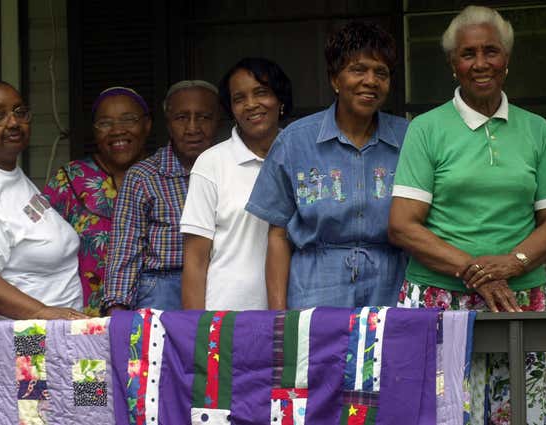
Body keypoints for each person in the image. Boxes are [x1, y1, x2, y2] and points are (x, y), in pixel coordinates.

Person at [388, 6, 546, 423]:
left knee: (527, 415)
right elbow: (402, 223)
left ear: (506, 59)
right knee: (444, 414)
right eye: (468, 54)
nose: (480, 63)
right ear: (453, 65)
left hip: (520, 300)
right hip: (440, 302)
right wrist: (475, 270)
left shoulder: (535, 129)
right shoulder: (427, 129)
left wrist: (513, 263)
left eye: (491, 51)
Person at [246, 21, 408, 309]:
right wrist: (279, 316)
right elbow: (278, 235)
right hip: (315, 291)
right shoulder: (295, 141)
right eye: (358, 70)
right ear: (335, 79)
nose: (370, 80)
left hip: (391, 290)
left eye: (380, 72)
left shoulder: (409, 139)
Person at [0, 81, 87, 321]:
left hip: (52, 334)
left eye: (20, 112)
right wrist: (43, 313)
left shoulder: (4, 170)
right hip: (21, 341)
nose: (13, 123)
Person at [181, 58, 293, 310]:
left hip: (295, 311)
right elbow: (195, 261)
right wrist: (194, 331)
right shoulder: (211, 163)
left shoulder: (303, 155)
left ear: (280, 99)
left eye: (261, 92)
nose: (251, 104)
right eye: (239, 98)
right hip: (225, 315)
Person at [102, 80, 220, 313]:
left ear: (218, 120)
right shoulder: (143, 176)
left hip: (219, 283)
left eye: (204, 117)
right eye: (182, 118)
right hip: (162, 289)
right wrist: (117, 310)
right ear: (168, 123)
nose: (193, 127)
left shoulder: (231, 169)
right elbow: (125, 248)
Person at [43, 87, 151, 316]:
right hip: (79, 320)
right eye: (105, 123)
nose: (117, 130)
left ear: (147, 125)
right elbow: (27, 227)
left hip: (152, 319)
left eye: (128, 119)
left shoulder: (164, 178)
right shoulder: (69, 179)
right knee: (26, 349)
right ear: (94, 131)